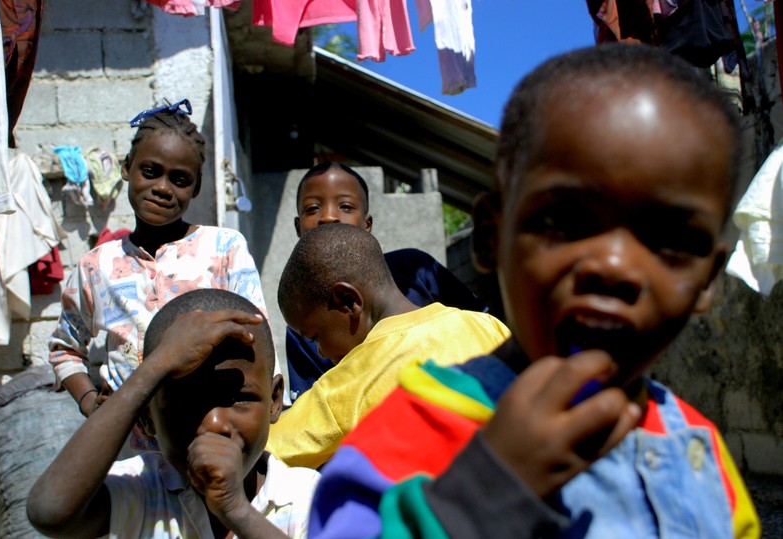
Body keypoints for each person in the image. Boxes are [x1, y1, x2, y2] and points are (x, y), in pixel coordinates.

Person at [306, 44, 761, 538]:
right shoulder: (400, 439)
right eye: (566, 221)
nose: (616, 267)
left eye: (670, 241)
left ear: (708, 280)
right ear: (490, 237)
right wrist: (483, 494)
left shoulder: (700, 452)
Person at [27, 289, 320, 539]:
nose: (213, 424)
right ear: (146, 418)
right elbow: (50, 511)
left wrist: (235, 510)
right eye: (185, 404)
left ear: (274, 400)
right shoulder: (139, 490)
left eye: (237, 398)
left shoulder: (310, 498)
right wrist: (156, 367)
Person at [48, 99, 271, 427]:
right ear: (127, 168)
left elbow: (257, 339)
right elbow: (64, 349)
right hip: (128, 450)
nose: (163, 188)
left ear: (195, 188)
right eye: (150, 172)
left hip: (206, 438)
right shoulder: (97, 266)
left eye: (180, 179)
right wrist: (89, 401)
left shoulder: (225, 249)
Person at [266, 223, 510, 469]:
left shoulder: (356, 377)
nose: (321, 352)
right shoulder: (486, 325)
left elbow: (266, 449)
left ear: (348, 302)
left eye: (316, 337)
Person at [286, 161, 489, 401]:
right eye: (312, 209)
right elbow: (314, 411)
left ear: (367, 224)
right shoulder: (304, 322)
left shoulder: (415, 269)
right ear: (298, 227)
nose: (329, 216)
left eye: (346, 206)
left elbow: (480, 326)